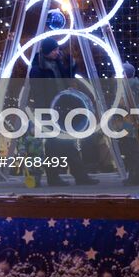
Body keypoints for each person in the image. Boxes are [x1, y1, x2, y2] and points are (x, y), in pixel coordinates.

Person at [27, 37, 95, 185]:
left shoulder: (57, 63)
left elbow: (67, 77)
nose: (57, 52)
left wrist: (72, 64)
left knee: (60, 144)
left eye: (57, 49)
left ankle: (66, 176)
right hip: (49, 110)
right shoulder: (37, 70)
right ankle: (71, 176)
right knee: (56, 144)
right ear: (46, 52)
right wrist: (44, 113)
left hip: (62, 108)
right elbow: (38, 92)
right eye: (54, 50)